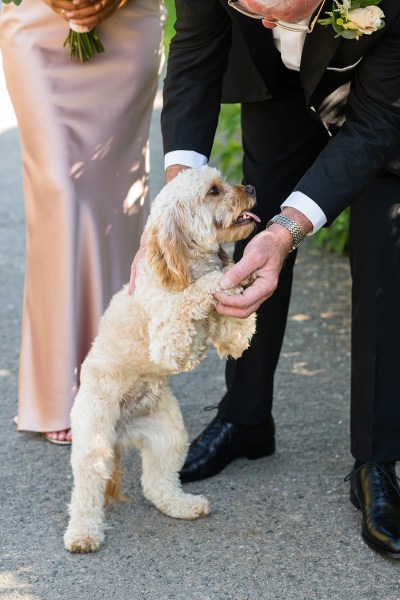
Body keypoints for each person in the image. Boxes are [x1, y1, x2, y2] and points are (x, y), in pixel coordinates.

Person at [153, 0, 400, 558]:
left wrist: (290, 229)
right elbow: (193, 58)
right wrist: (182, 190)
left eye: (278, 9)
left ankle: (377, 460)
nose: (265, 20)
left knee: (381, 255)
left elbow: (375, 126)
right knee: (251, 243)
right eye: (250, 8)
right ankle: (245, 419)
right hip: (276, 86)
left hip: (377, 92)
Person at [0, 0, 165, 443]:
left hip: (128, 24)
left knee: (116, 201)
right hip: (35, 22)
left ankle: (116, 381)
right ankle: (57, 389)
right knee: (60, 189)